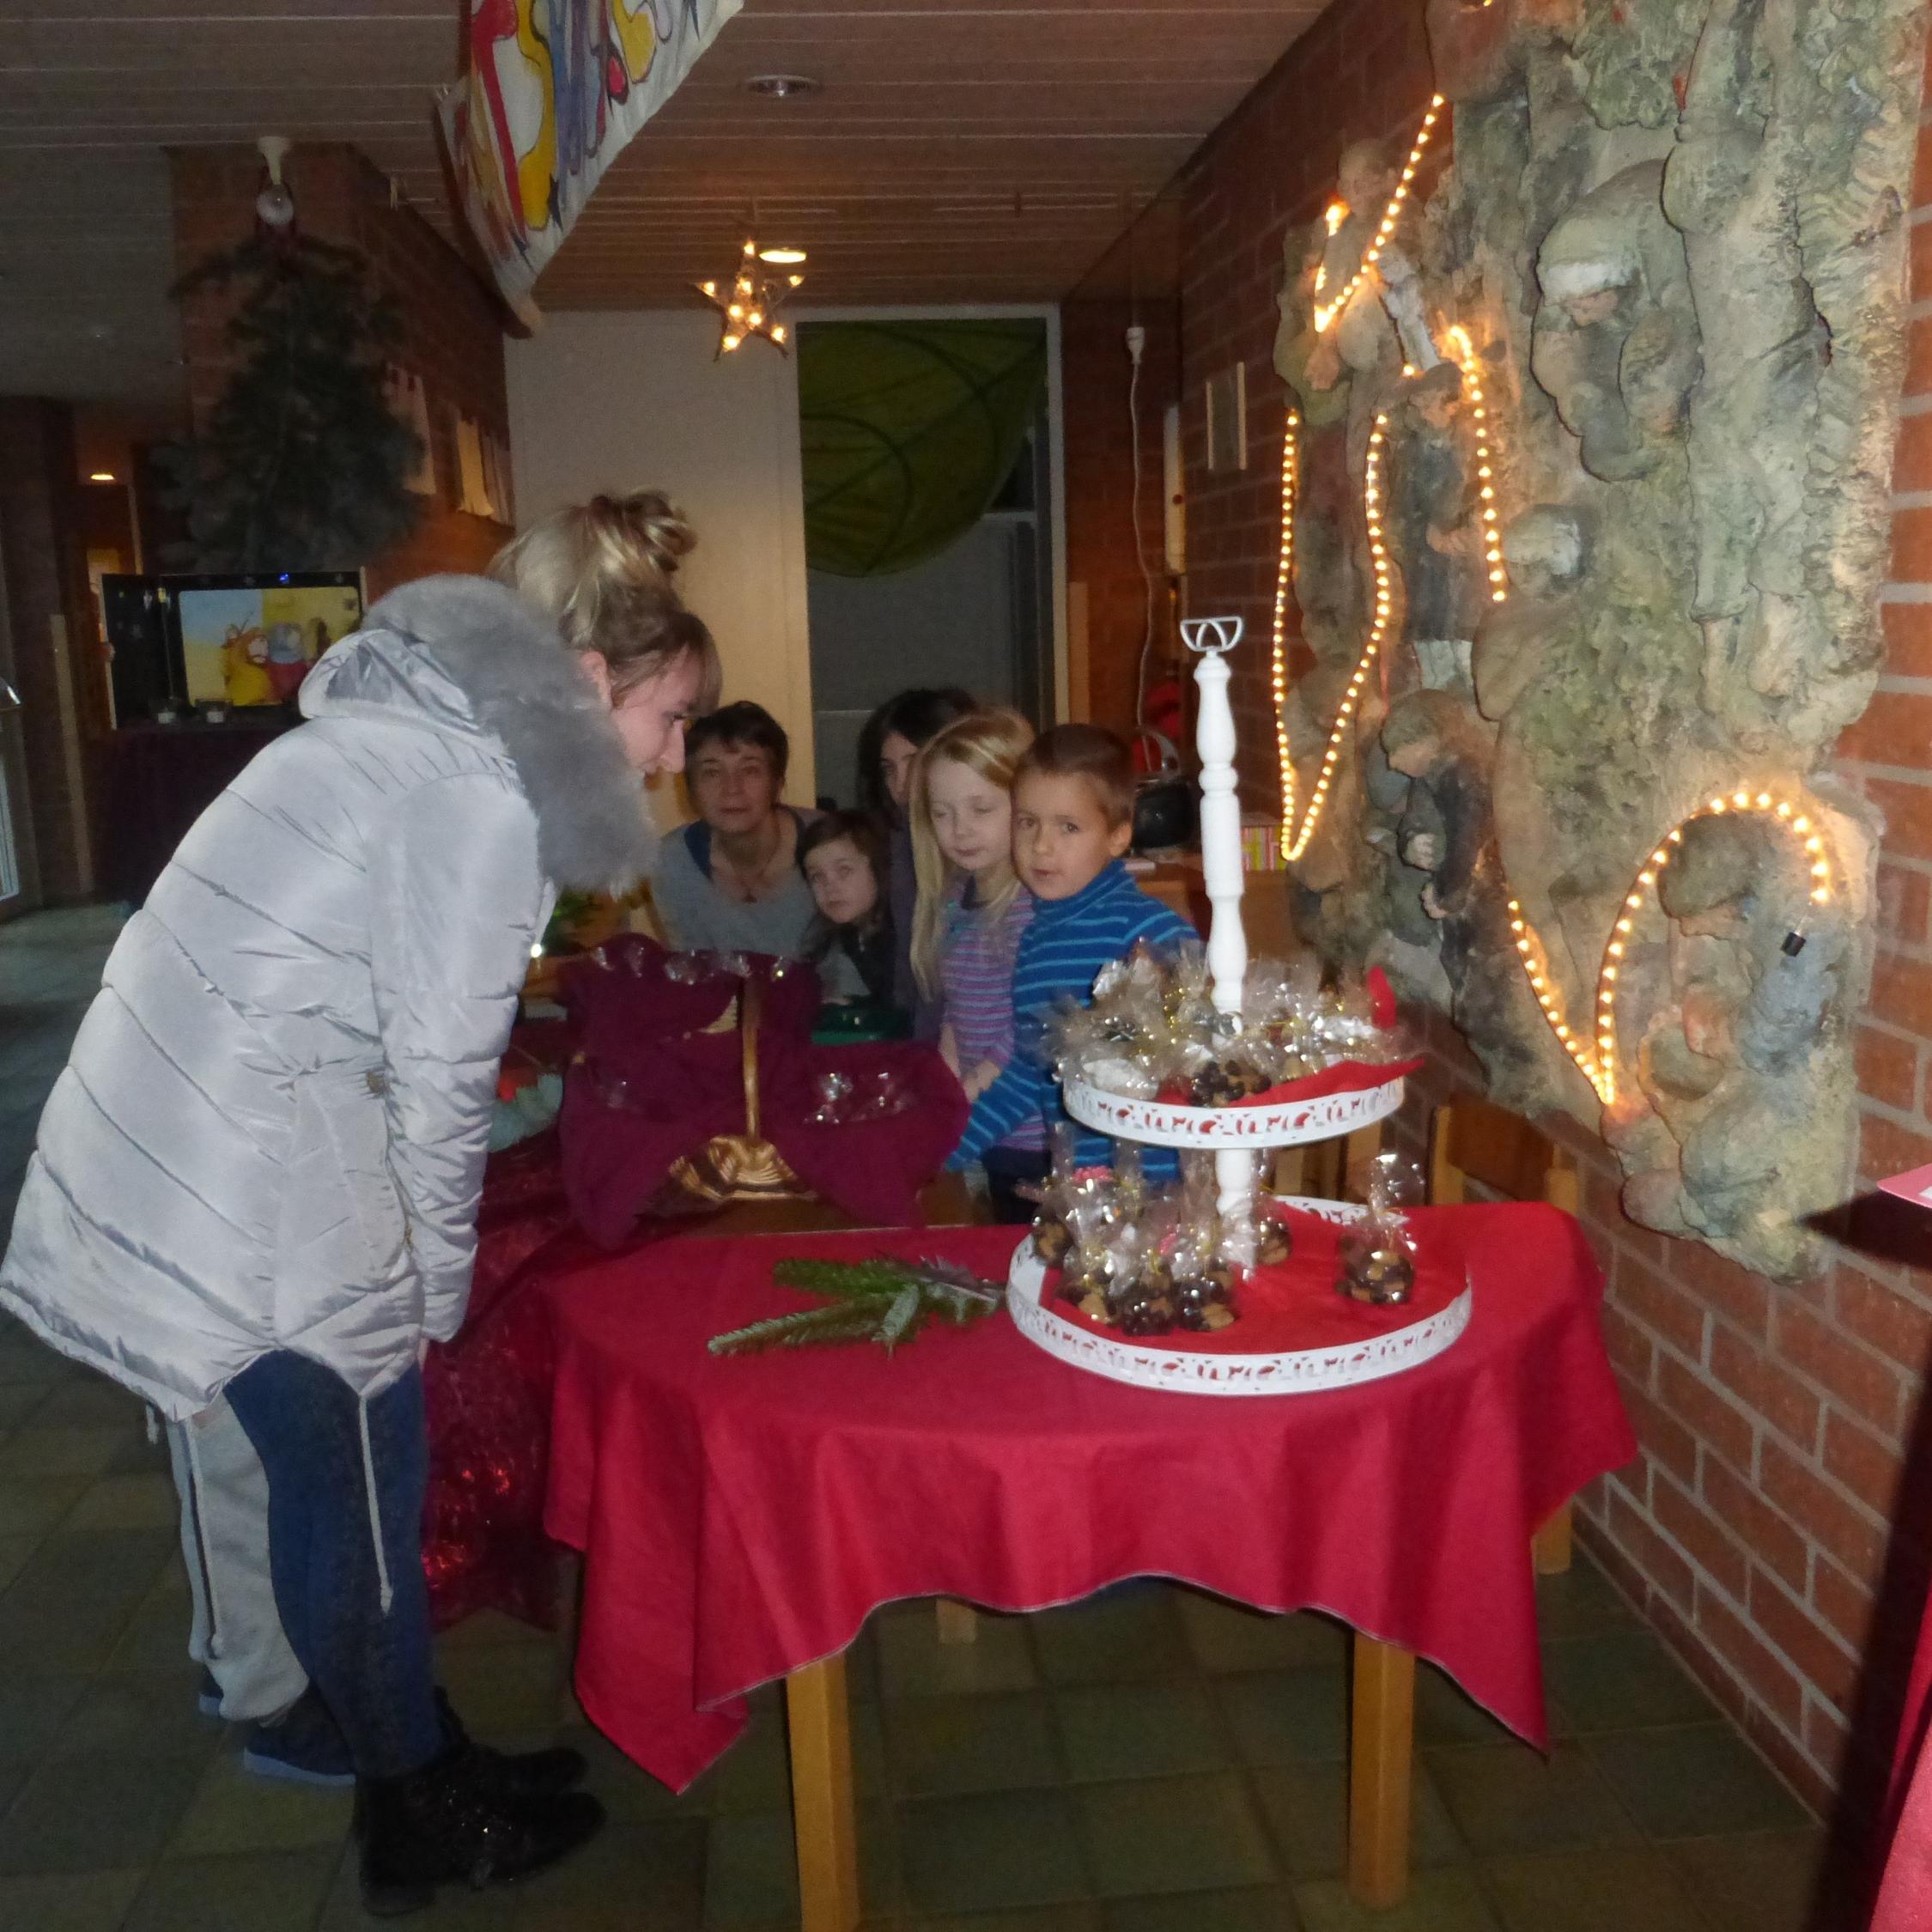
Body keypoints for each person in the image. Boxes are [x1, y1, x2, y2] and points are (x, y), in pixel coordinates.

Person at [0, 489, 720, 1914]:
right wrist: (431, 1285)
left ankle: (419, 1750)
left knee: (346, 1492)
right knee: (366, 1499)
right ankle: (416, 1810)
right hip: (242, 1170)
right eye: (673, 716)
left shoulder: (419, 734)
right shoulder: (472, 796)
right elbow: (444, 1076)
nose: (677, 752)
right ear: (590, 685)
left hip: (205, 1136)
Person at [947, 724, 1195, 1218]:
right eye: (1027, 823)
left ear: (1119, 834)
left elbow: (1203, 1050)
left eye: (1068, 827)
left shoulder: (1149, 931)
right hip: (1080, 1189)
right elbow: (1028, 1068)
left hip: (1157, 1194)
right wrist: (948, 1148)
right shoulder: (1038, 941)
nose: (1041, 847)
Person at [908, 710, 1039, 1209]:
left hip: (1036, 1138)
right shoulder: (953, 903)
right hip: (986, 1130)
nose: (960, 829)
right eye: (942, 813)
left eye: (980, 808)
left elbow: (1039, 1018)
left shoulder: (1032, 907)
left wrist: (978, 1080)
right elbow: (958, 1012)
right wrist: (944, 1082)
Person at [649, 701, 819, 957]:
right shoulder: (671, 861)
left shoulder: (830, 842)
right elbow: (692, 971)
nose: (732, 788)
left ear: (777, 783)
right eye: (712, 772)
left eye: (750, 770)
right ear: (691, 790)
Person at [856, 687, 975, 1030]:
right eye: (889, 769)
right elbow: (909, 976)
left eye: (915, 762)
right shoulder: (901, 839)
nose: (901, 785)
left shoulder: (982, 846)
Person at [799, 810, 897, 1008]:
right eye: (817, 876)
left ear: (878, 869)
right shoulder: (851, 934)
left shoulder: (900, 935)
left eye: (844, 870)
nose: (830, 887)